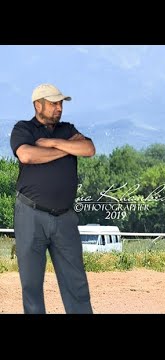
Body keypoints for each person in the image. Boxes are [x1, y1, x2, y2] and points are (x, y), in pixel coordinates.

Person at [10, 83, 96, 314]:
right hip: (30, 215)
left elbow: (88, 149)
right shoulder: (23, 129)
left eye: (60, 103)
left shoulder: (66, 128)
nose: (59, 108)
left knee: (76, 283)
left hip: (65, 218)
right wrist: (68, 149)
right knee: (31, 285)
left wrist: (54, 143)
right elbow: (27, 155)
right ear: (38, 105)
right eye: (53, 103)